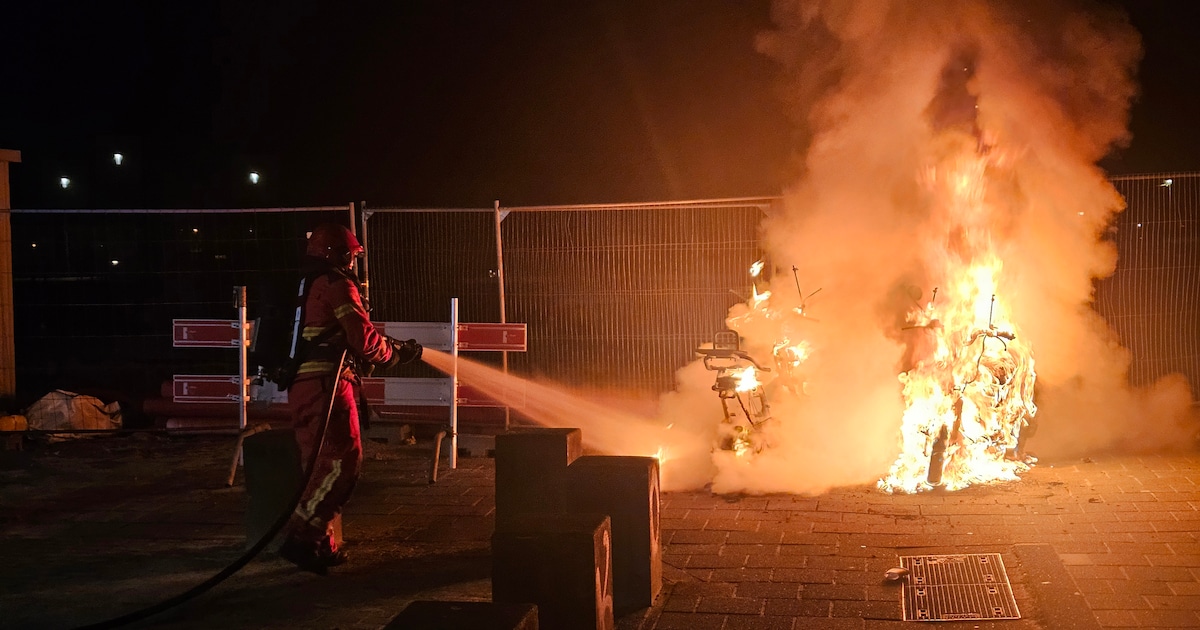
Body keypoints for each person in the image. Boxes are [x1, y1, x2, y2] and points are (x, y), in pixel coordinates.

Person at [279, 222, 422, 574]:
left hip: (302, 387)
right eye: (350, 255)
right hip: (327, 386)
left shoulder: (305, 285)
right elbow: (364, 340)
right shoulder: (336, 284)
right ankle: (301, 537)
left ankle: (319, 544)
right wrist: (396, 354)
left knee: (317, 467)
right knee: (343, 462)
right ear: (336, 255)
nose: (353, 263)